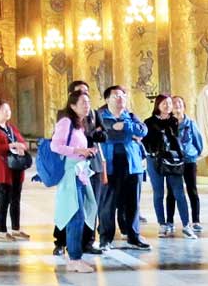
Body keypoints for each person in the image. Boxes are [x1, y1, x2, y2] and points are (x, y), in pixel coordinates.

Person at [53, 80, 104, 256]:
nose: (87, 104)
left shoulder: (88, 117)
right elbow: (56, 145)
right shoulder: (66, 120)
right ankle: (70, 251)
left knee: (88, 208)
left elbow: (102, 134)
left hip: (85, 168)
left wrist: (88, 145)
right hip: (72, 171)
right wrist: (79, 149)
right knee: (74, 212)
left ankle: (83, 246)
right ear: (72, 103)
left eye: (88, 99)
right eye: (83, 101)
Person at [96, 85, 148, 250]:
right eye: (116, 96)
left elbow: (142, 131)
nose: (120, 99)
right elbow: (104, 136)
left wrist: (125, 127)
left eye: (123, 96)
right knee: (108, 203)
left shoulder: (130, 116)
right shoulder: (100, 117)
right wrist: (115, 130)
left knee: (132, 203)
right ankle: (105, 238)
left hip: (132, 164)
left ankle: (134, 236)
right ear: (107, 99)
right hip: (110, 164)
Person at [143, 95, 194, 238]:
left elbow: (178, 139)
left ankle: (186, 225)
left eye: (170, 103)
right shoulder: (149, 122)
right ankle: (162, 224)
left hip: (173, 160)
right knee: (158, 193)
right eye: (164, 103)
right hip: (155, 160)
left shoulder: (174, 121)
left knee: (179, 192)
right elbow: (144, 142)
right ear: (158, 105)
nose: (167, 105)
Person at [0, 99, 30, 241]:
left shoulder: (11, 128)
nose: (8, 113)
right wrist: (12, 145)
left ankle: (16, 229)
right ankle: (1, 231)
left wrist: (21, 145)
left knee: (16, 200)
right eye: (5, 110)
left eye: (9, 110)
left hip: (17, 168)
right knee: (4, 200)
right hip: (4, 170)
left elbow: (23, 142)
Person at [166, 95, 204, 235]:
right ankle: (169, 221)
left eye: (179, 103)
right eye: (174, 103)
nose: (177, 105)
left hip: (189, 160)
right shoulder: (168, 124)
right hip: (173, 161)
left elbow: (198, 142)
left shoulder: (190, 123)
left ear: (184, 106)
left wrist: (193, 154)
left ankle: (196, 220)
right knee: (171, 192)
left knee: (192, 190)